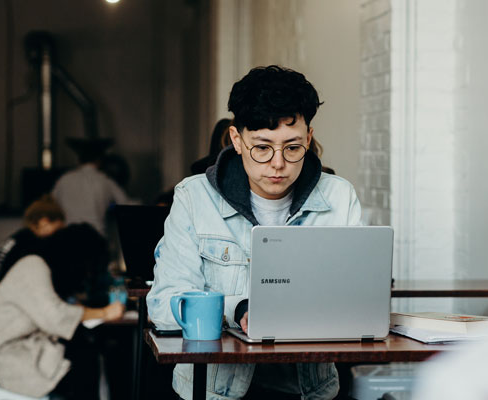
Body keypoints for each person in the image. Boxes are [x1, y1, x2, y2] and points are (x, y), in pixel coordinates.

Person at [146, 65, 362, 400]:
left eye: (292, 148)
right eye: (262, 147)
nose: (278, 163)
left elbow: (359, 302)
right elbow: (163, 306)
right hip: (215, 391)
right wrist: (240, 308)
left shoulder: (338, 197)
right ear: (236, 139)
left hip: (309, 390)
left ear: (308, 137)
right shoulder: (194, 197)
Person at [0, 223, 125, 399]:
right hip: (14, 358)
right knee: (85, 355)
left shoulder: (38, 266)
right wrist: (105, 312)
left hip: (25, 346)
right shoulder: (33, 266)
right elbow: (55, 317)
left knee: (85, 348)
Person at [0, 195, 65, 297]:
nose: (59, 234)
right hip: (4, 301)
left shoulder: (19, 238)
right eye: (58, 229)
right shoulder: (32, 245)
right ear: (44, 221)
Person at [52, 137, 130, 236]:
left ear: (79, 160)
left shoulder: (64, 180)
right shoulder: (106, 181)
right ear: (99, 160)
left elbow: (51, 205)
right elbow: (125, 206)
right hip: (96, 238)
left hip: (68, 237)